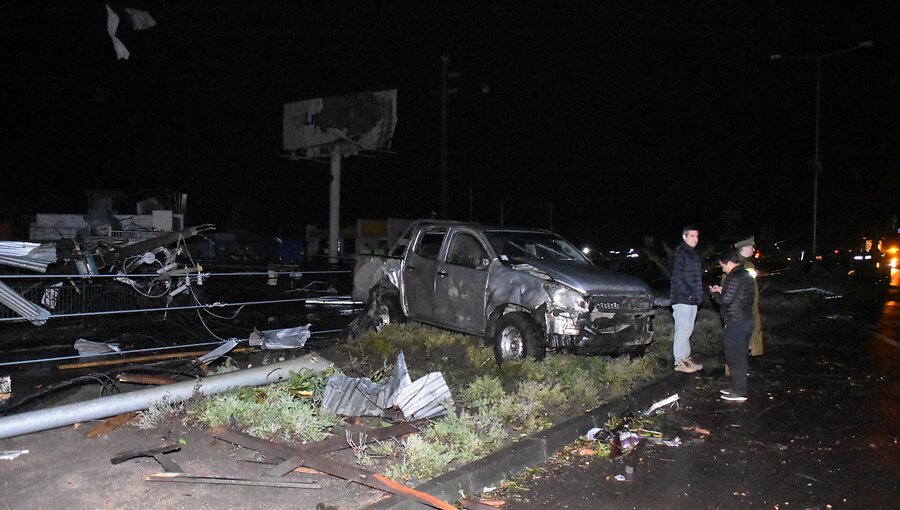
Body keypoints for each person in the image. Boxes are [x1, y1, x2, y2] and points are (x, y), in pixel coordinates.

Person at [709, 248, 756, 402]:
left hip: (736, 322)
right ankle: (736, 388)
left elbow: (725, 301)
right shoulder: (746, 275)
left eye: (723, 266)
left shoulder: (734, 277)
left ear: (730, 263)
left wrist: (715, 293)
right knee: (739, 356)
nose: (723, 269)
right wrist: (723, 290)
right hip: (746, 320)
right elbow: (739, 295)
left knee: (735, 357)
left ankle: (740, 392)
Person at [670, 226, 703, 373]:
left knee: (688, 329)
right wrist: (687, 294)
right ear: (684, 237)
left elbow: (696, 279)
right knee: (682, 330)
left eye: (697, 236)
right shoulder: (680, 253)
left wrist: (698, 296)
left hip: (692, 299)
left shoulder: (692, 255)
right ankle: (679, 362)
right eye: (692, 236)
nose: (695, 239)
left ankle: (685, 358)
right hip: (682, 299)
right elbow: (677, 278)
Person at [733, 236, 763, 356]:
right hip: (743, 307)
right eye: (751, 247)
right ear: (744, 248)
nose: (754, 250)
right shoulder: (736, 265)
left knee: (750, 333)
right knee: (740, 338)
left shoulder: (748, 264)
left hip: (750, 304)